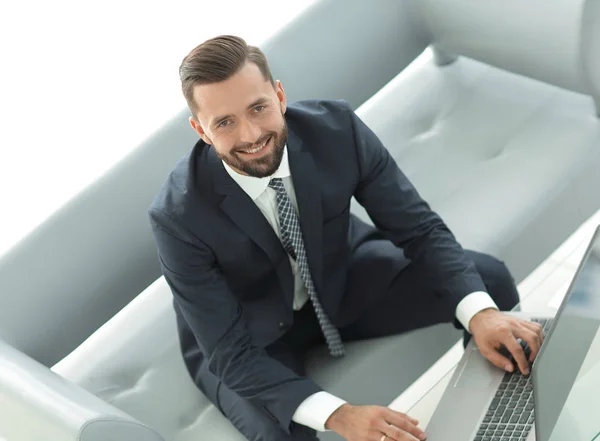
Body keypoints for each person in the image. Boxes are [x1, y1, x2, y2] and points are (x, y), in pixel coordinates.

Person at [148, 35, 544, 441]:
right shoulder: (177, 217)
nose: (250, 135)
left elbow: (418, 230)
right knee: (281, 435)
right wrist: (340, 414)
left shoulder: (337, 131)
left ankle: (500, 427)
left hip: (341, 279)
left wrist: (482, 315)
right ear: (201, 130)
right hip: (249, 335)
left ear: (279, 96)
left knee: (487, 285)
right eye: (225, 122)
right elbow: (229, 354)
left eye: (258, 107)